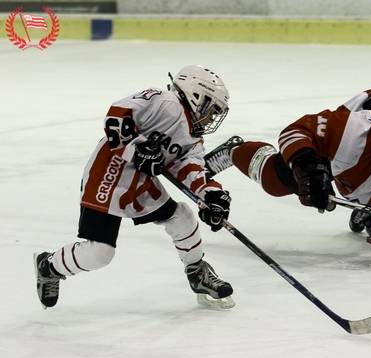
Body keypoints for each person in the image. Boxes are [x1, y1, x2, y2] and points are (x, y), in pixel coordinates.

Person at [34, 65, 235, 309]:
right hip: (109, 172)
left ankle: (197, 272)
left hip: (139, 181)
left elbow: (190, 169)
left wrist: (211, 195)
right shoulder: (164, 101)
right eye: (211, 109)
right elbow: (117, 114)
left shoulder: (194, 139)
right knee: (101, 253)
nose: (211, 117)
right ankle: (49, 265)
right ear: (196, 94)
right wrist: (136, 148)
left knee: (181, 216)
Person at [204, 89, 371, 257]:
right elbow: (294, 132)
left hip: (369, 177)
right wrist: (307, 167)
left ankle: (363, 207)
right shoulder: (351, 132)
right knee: (277, 180)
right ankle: (233, 151)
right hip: (351, 140)